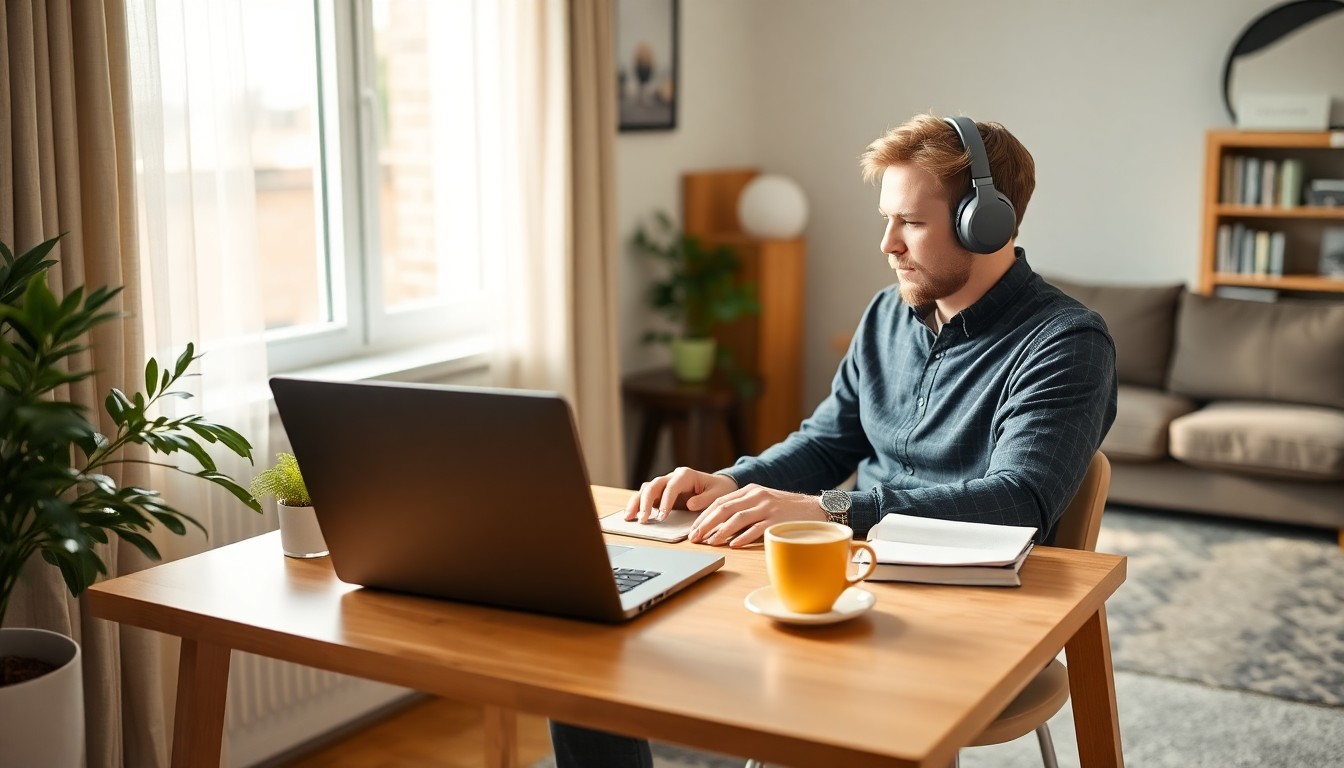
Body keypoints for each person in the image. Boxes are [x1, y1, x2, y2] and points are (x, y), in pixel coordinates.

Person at [548, 113, 1117, 768]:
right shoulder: (887, 315)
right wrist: (731, 482)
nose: (887, 244)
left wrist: (831, 511)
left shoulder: (1066, 342)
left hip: (970, 604)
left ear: (984, 222)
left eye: (911, 222)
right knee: (588, 656)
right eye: (887, 219)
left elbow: (1019, 499)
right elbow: (827, 441)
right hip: (851, 577)